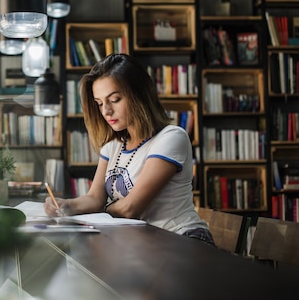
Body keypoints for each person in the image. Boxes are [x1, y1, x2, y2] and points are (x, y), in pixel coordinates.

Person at [44, 53, 214, 245]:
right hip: (145, 243)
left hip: (183, 239)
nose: (106, 111)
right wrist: (66, 205)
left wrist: (92, 213)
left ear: (139, 94)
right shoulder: (112, 147)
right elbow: (95, 197)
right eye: (99, 103)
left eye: (114, 99)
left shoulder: (171, 138)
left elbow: (130, 208)